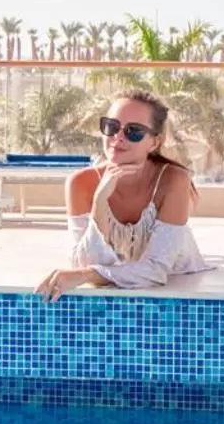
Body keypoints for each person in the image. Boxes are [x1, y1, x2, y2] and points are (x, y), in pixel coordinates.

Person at [36, 89, 206, 298]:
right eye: (111, 126)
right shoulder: (81, 183)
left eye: (133, 131)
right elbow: (84, 263)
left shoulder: (173, 180)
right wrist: (100, 202)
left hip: (180, 286)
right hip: (125, 286)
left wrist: (88, 275)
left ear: (154, 142)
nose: (118, 137)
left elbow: (156, 270)